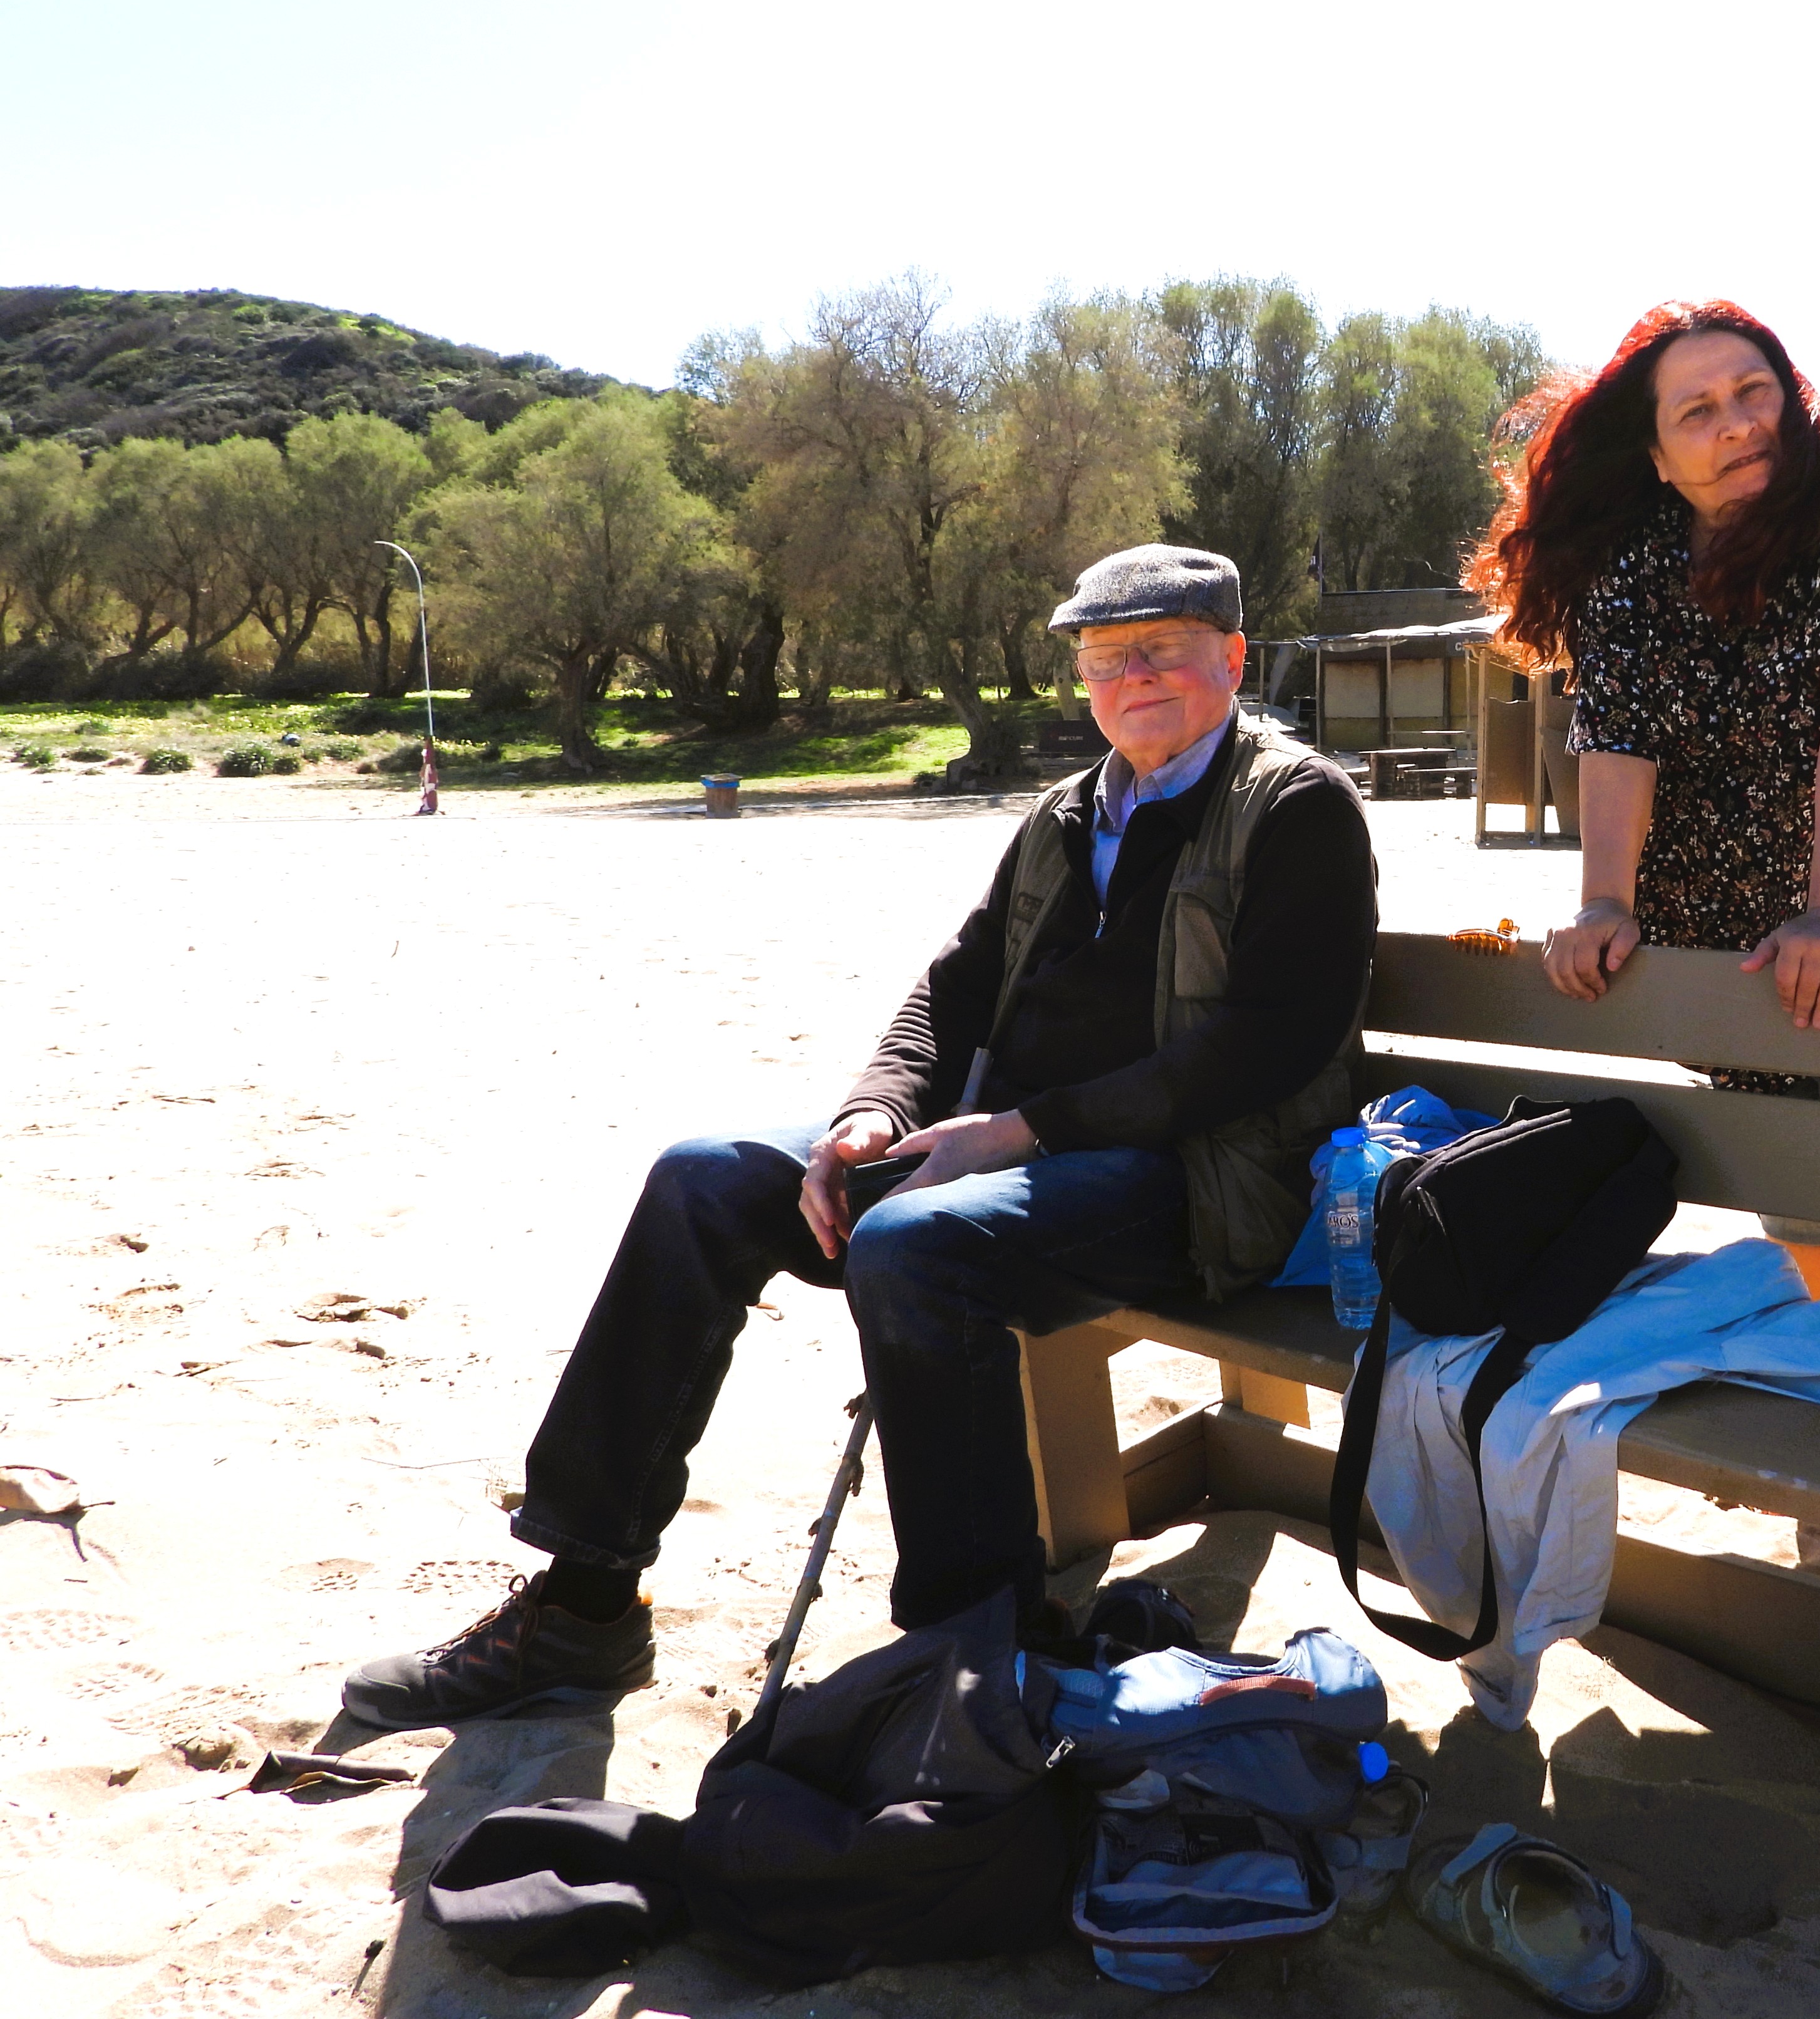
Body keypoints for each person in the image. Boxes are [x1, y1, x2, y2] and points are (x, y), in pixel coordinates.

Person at [341, 546, 1377, 1729]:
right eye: (1105, 657)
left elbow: (1269, 1045)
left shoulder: (1293, 805)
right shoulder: (1067, 812)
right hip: (1006, 1151)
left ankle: (973, 1650)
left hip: (1196, 1179)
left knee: (917, 1247)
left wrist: (1023, 1130)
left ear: (1231, 659)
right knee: (704, 1180)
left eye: (1163, 651)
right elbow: (955, 988)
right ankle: (583, 1605)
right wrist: (872, 1113)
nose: (1132, 676)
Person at [1467, 299, 1820, 1284]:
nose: (1737, 423)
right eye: (1698, 411)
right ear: (1658, 459)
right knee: (1794, 1197)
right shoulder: (1635, 562)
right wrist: (1602, 903)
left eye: (1755, 392)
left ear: (1791, 402)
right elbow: (1619, 738)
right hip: (1732, 944)